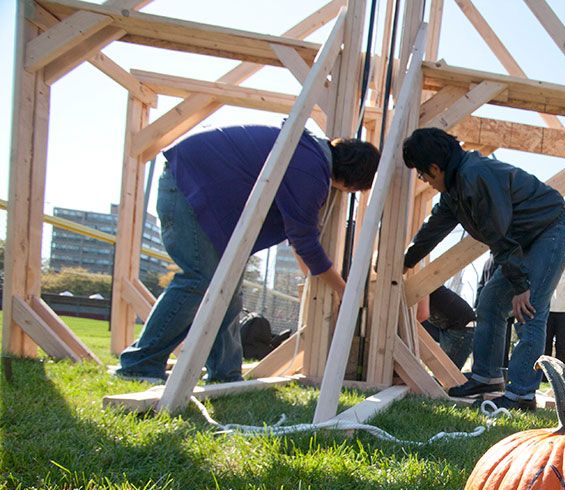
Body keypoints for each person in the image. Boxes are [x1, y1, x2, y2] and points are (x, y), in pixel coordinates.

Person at [116, 125, 380, 383]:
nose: (347, 194)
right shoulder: (309, 171)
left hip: (195, 187)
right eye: (354, 190)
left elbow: (301, 240)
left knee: (227, 290)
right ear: (352, 179)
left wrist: (316, 278)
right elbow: (305, 241)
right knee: (200, 280)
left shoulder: (307, 154)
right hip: (188, 188)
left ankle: (225, 373)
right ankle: (140, 363)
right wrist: (343, 290)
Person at [402, 127, 565, 411]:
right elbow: (433, 229)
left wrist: (521, 287)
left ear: (434, 167)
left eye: (422, 175)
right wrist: (405, 262)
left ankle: (521, 393)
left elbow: (498, 232)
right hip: (524, 238)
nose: (425, 181)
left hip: (551, 229)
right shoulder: (454, 189)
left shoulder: (475, 176)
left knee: (529, 309)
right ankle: (487, 376)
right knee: (490, 304)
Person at [416, 285, 476, 371]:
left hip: (461, 330)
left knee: (445, 377)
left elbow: (422, 315)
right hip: (445, 327)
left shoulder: (421, 282)